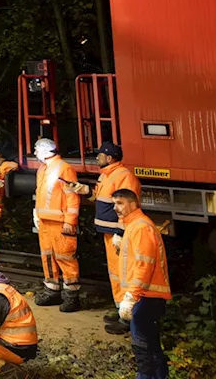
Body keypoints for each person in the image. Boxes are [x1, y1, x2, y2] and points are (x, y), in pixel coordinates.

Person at [67, 142, 141, 333]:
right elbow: (101, 198)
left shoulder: (123, 176)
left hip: (119, 234)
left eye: (100, 155)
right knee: (116, 274)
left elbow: (127, 207)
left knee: (124, 275)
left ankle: (129, 319)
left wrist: (121, 232)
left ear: (109, 158)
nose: (97, 158)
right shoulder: (107, 175)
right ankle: (121, 311)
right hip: (110, 234)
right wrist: (85, 191)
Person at [112, 188, 170, 379]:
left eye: (120, 203)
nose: (116, 208)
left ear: (134, 204)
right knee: (151, 347)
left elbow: (144, 265)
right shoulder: (135, 226)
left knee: (143, 348)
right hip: (147, 297)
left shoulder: (140, 227)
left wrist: (131, 296)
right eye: (115, 203)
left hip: (146, 297)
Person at [32, 138, 82, 311]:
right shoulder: (43, 169)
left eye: (37, 150)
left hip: (60, 223)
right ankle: (52, 290)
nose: (35, 153)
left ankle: (72, 296)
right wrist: (37, 214)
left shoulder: (64, 168)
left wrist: (70, 221)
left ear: (46, 151)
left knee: (65, 257)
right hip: (46, 222)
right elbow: (41, 194)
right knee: (47, 256)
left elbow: (72, 197)